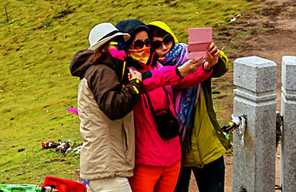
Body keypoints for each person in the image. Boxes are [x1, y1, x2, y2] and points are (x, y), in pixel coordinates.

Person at [70, 22, 188, 192]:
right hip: (107, 166)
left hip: (104, 164)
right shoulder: (102, 71)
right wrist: (135, 86)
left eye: (122, 44)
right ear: (102, 48)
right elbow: (114, 107)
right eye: (116, 44)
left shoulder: (98, 70)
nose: (121, 49)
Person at [115, 19, 213, 192]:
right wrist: (178, 71)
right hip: (144, 161)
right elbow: (149, 81)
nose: (144, 47)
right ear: (126, 46)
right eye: (137, 44)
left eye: (147, 43)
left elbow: (185, 80)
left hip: (173, 159)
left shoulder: (159, 66)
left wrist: (206, 66)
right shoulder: (125, 75)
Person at [141, 21, 229, 192]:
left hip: (206, 145)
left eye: (167, 40)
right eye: (157, 44)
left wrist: (213, 58)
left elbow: (220, 69)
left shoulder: (191, 55)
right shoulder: (153, 73)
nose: (165, 47)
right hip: (173, 153)